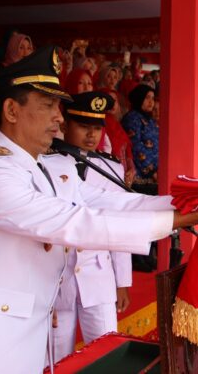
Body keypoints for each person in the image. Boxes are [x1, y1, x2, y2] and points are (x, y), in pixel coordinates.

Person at [0, 46, 198, 374]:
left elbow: (116, 201)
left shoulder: (47, 167)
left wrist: (194, 203)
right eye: (48, 106)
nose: (58, 117)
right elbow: (75, 222)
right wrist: (182, 219)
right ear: (12, 110)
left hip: (28, 339)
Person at [51, 90, 169, 361]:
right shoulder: (47, 163)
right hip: (58, 280)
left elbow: (119, 227)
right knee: (56, 355)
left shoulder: (111, 168)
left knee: (105, 349)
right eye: (83, 126)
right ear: (65, 126)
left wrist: (122, 282)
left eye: (96, 128)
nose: (92, 135)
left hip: (98, 275)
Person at [122, 84, 159, 189]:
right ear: (139, 98)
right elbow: (136, 147)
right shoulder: (132, 118)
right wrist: (152, 172)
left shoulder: (149, 119)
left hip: (155, 174)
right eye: (147, 97)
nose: (151, 102)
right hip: (141, 177)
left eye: (153, 98)